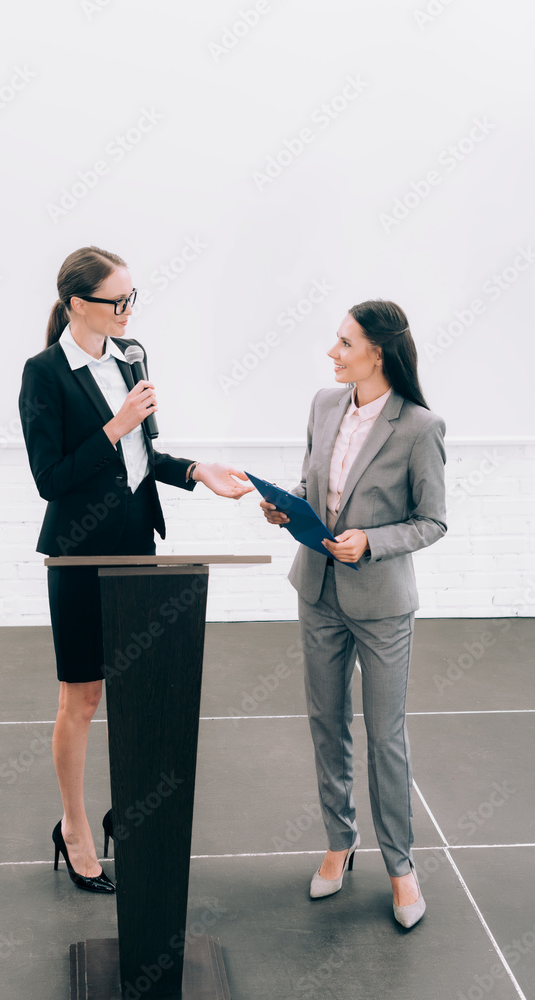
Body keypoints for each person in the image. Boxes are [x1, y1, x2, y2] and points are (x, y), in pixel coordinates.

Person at [19, 246, 252, 893]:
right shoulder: (43, 374)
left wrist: (194, 472)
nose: (126, 311)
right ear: (76, 305)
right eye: (115, 300)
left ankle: (129, 812)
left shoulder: (130, 357)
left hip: (134, 545)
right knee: (82, 697)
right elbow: (51, 478)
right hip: (76, 553)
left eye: (130, 299)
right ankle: (73, 828)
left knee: (132, 693)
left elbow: (141, 457)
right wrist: (115, 424)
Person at [261, 300, 446, 928]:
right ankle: (340, 844)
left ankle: (401, 867)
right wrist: (287, 506)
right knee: (327, 723)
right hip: (317, 589)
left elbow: (432, 521)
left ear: (378, 353)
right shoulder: (323, 404)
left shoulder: (419, 427)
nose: (333, 352)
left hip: (382, 602)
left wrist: (373, 541)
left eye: (344, 343)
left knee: (384, 737)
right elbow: (316, 483)